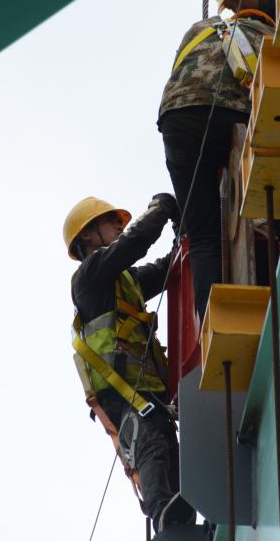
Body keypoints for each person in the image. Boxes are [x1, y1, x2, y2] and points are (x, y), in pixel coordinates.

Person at [158, 0, 277, 321]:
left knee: (204, 232)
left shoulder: (199, 29)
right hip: (228, 110)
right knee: (274, 187)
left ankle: (211, 322)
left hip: (176, 119)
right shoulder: (266, 31)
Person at [64, 194, 196, 531]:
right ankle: (162, 511)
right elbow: (135, 242)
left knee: (172, 454)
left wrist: (186, 234)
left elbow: (169, 268)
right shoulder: (89, 278)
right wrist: (162, 208)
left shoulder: (128, 282)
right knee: (150, 441)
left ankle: (178, 524)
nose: (120, 227)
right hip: (122, 393)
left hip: (146, 390)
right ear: (88, 237)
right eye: (112, 223)